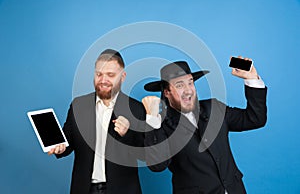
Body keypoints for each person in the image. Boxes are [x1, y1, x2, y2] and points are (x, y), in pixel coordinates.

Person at [142, 58, 267, 194]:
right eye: (179, 85)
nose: (188, 90)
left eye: (190, 83)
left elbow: (255, 119)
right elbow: (157, 166)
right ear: (167, 92)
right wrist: (152, 120)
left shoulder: (214, 108)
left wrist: (252, 79)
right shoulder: (162, 125)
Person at [48, 49, 146, 194]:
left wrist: (128, 133)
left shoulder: (136, 109)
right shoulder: (78, 105)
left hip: (123, 190)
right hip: (84, 189)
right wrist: (59, 146)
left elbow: (145, 155)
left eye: (110, 75)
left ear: (123, 76)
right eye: (99, 74)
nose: (103, 80)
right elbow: (67, 143)